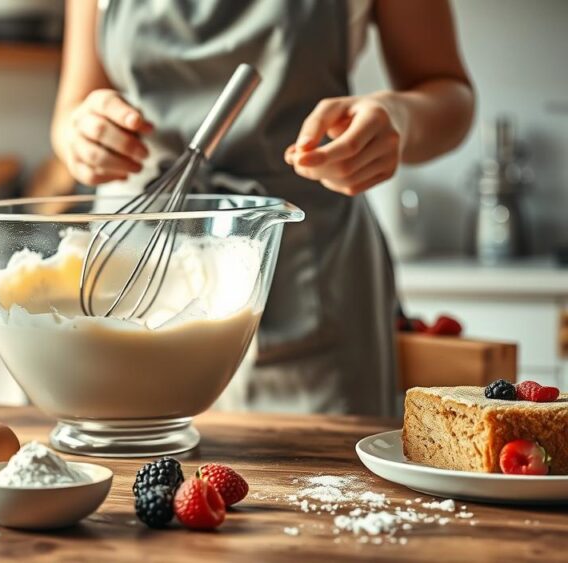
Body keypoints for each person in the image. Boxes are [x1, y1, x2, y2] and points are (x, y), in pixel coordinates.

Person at [50, 0, 474, 416]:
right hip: (134, 269)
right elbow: (71, 109)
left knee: (318, 479)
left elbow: (449, 92)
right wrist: (79, 135)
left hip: (306, 271)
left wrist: (400, 117)